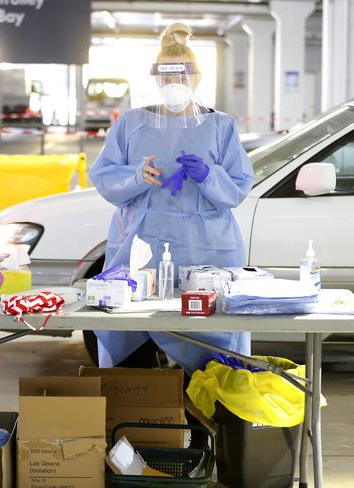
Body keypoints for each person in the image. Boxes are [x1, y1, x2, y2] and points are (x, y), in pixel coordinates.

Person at [89, 23, 255, 375]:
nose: (174, 84)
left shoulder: (220, 125)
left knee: (211, 357)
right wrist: (137, 176)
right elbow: (103, 176)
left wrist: (209, 175)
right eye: (167, 76)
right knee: (131, 353)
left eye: (183, 75)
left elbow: (239, 186)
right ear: (155, 78)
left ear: (196, 78)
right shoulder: (131, 123)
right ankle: (139, 418)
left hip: (205, 252)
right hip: (140, 250)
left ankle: (206, 425)